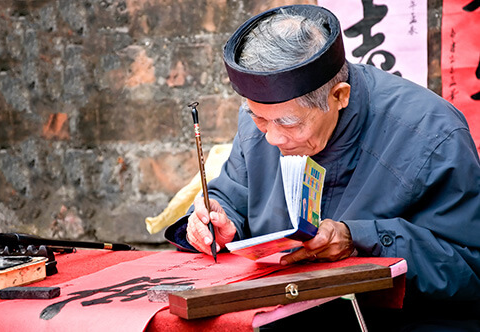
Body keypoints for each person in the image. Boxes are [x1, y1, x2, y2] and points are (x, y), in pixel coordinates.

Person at [165, 4, 480, 330]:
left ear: (339, 96)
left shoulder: (431, 133)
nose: (272, 138)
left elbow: (471, 267)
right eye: (259, 118)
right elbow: (233, 194)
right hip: (279, 316)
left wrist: (360, 240)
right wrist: (214, 220)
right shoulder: (262, 122)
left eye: (288, 123)